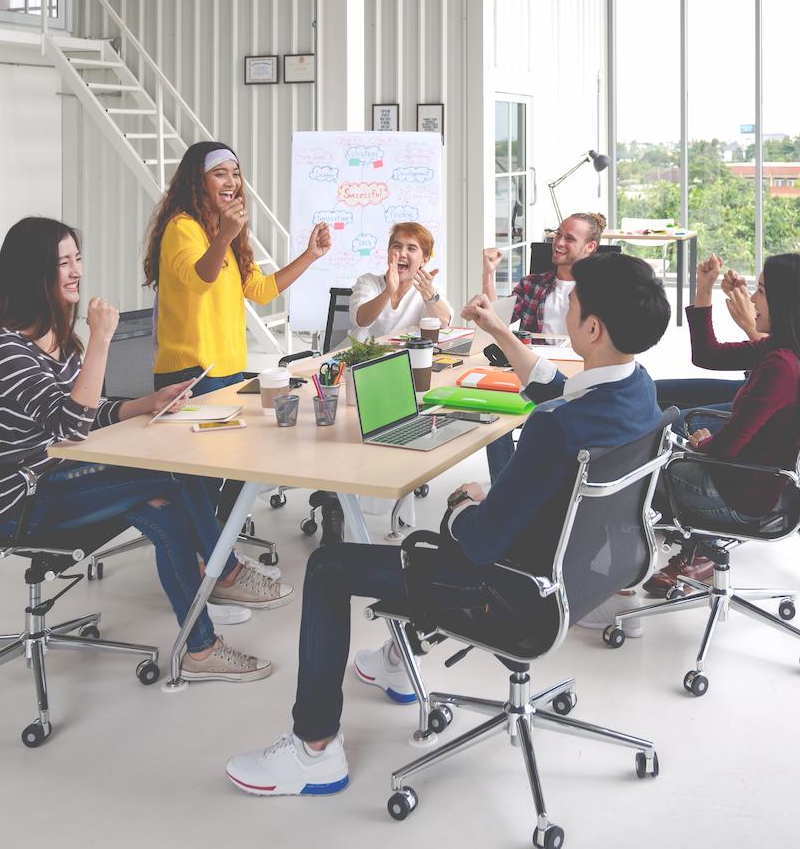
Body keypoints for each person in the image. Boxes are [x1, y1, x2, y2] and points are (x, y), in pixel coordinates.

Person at [223, 253, 671, 797]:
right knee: (429, 549)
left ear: (592, 328)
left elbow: (479, 542)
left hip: (510, 594)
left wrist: (464, 501)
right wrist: (499, 330)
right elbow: (559, 389)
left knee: (330, 566)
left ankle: (312, 748)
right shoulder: (637, 388)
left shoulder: (556, 428)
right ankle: (395, 661)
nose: (568, 306)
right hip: (577, 578)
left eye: (573, 303)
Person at [0, 217, 285, 682]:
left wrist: (146, 404)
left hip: (61, 476)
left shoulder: (57, 338)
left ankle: (200, 649)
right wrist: (100, 340)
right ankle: (227, 575)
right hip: (22, 498)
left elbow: (87, 411)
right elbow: (70, 424)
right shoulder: (3, 349)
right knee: (173, 474)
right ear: (33, 273)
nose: (77, 271)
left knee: (168, 512)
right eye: (63, 263)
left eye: (78, 259)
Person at [643, 251, 800, 596]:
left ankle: (622, 568)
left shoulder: (781, 365)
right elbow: (707, 354)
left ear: (787, 302)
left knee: (637, 466)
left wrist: (701, 442)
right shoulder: (794, 349)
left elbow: (724, 448)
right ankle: (687, 552)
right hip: (757, 484)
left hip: (736, 495)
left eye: (762, 291)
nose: (753, 299)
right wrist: (704, 289)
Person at [143, 141, 332, 394]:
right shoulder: (182, 227)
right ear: (197, 181)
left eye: (235, 174)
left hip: (229, 370)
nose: (231, 182)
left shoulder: (224, 232)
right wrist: (225, 235)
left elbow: (260, 290)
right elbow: (200, 282)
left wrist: (309, 256)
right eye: (220, 174)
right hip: (191, 372)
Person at [654, 218, 800, 417]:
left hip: (789, 420)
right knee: (653, 394)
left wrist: (751, 326)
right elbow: (707, 355)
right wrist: (705, 288)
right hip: (767, 397)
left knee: (662, 425)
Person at [479, 211, 607, 481]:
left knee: (551, 420)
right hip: (533, 374)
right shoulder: (533, 284)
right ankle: (503, 487)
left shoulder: (600, 290)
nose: (558, 242)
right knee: (495, 410)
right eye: (557, 235)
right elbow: (497, 321)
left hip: (576, 379)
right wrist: (489, 274)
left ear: (590, 247)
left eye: (569, 238)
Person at [348, 222, 452, 342]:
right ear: (388, 252)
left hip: (406, 353)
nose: (402, 253)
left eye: (411, 248)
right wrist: (388, 292)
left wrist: (430, 297)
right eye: (397, 246)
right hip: (362, 352)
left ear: (424, 260)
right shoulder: (368, 281)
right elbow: (361, 320)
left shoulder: (429, 290)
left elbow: (444, 324)